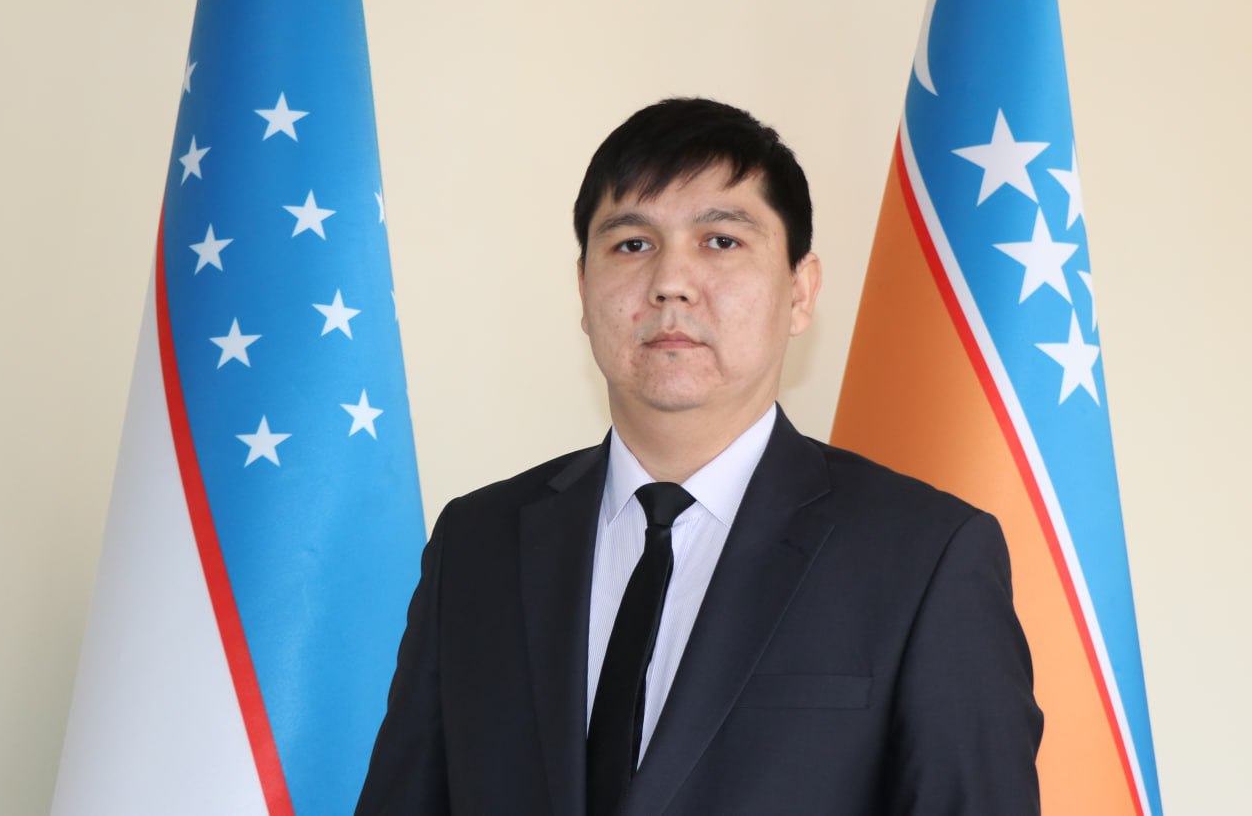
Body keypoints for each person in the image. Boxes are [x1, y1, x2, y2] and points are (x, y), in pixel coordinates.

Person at [356, 98, 1042, 815]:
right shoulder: (477, 542)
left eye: (721, 241)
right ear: (583, 291)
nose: (670, 282)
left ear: (800, 291)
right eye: (632, 244)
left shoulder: (925, 555)